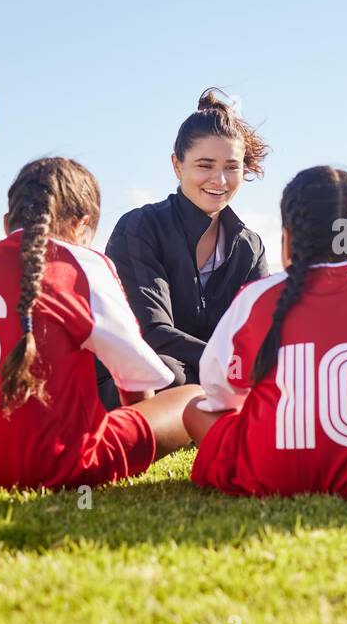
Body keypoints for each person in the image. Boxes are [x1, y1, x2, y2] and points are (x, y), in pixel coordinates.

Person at [0, 157, 202, 492]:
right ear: (81, 225)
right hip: (50, 466)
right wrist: (134, 440)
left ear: (5, 224)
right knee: (193, 395)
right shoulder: (84, 264)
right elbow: (136, 380)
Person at [180, 166, 347, 496]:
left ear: (288, 235)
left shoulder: (257, 296)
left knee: (194, 408)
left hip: (270, 473)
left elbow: (218, 390)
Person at [98, 88, 270, 404]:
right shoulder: (139, 227)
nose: (220, 180)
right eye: (205, 165)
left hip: (220, 379)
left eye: (232, 167)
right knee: (164, 374)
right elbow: (150, 332)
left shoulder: (250, 247)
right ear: (177, 166)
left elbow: (257, 335)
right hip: (146, 372)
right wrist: (229, 367)